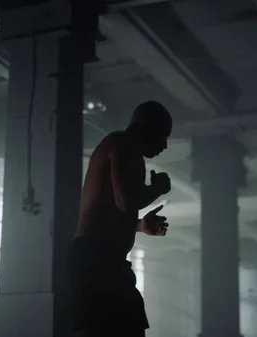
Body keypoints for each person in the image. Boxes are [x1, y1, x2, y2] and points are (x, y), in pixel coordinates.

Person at [69, 101, 173, 337]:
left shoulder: (120, 145)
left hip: (98, 258)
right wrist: (158, 188)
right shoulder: (123, 144)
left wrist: (138, 225)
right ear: (146, 126)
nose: (164, 146)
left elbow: (109, 211)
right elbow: (126, 202)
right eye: (162, 136)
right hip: (97, 260)